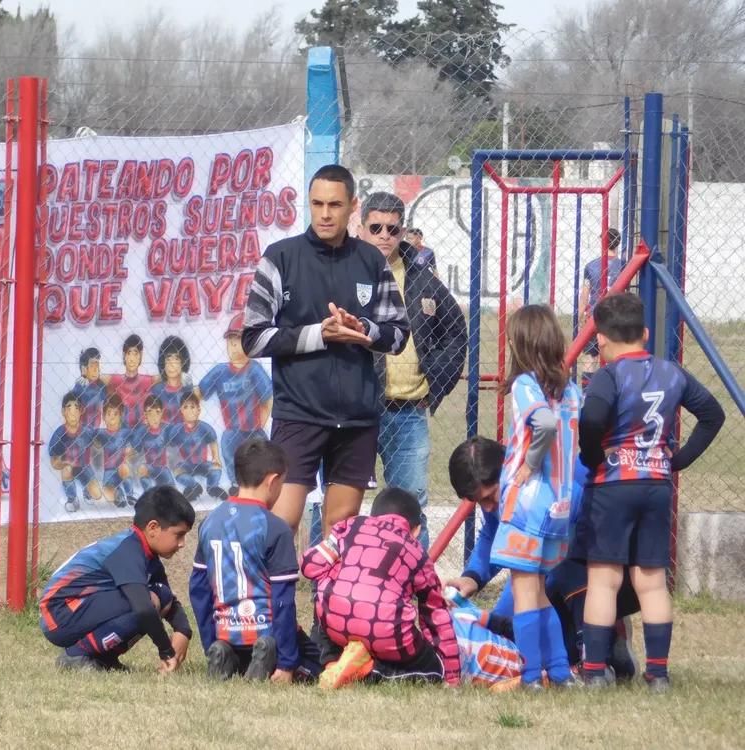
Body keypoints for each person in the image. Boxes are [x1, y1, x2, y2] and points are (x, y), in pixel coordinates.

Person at [242, 164, 410, 538]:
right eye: (317, 203)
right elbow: (252, 339)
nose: (324, 213)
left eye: (334, 205)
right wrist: (320, 334)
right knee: (281, 524)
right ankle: (276, 597)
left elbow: (398, 335)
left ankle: (328, 597)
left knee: (340, 529)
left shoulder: (371, 260)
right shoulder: (280, 258)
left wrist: (363, 331)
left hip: (356, 418)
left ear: (353, 206)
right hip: (298, 414)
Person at [574, 292, 725, 691]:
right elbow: (713, 414)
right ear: (644, 333)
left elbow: (591, 419)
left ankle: (593, 674)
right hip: (657, 484)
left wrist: (591, 457)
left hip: (613, 485)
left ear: (601, 340)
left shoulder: (607, 375)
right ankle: (658, 674)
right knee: (653, 580)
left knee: (603, 579)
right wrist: (678, 461)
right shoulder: (672, 372)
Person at [446, 435, 640, 681]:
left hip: (610, 567)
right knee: (512, 629)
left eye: (488, 497)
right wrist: (472, 577)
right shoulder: (506, 491)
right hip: (555, 568)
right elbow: (493, 534)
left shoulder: (557, 479)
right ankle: (581, 652)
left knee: (557, 575)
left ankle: (600, 652)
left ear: (508, 472)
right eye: (478, 502)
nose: (486, 507)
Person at [359, 192, 467, 548]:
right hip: (354, 411)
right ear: (361, 228)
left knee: (411, 504)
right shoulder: (344, 270)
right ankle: (329, 583)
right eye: (376, 227)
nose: (384, 235)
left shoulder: (421, 277)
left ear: (402, 230)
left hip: (407, 412)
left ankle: (416, 583)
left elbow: (455, 331)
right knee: (337, 500)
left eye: (392, 228)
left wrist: (436, 380)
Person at [492, 304, 582, 690]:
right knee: (541, 589)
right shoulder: (572, 389)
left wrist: (529, 462)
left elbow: (542, 421)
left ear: (519, 343)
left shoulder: (525, 385)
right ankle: (560, 670)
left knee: (524, 590)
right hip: (559, 506)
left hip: (528, 504)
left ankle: (530, 676)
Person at [190, 438, 322, 682]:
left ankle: (226, 655)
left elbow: (198, 590)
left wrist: (212, 643)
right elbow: (282, 602)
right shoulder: (274, 527)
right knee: (317, 663)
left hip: (225, 631)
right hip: (263, 630)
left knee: (234, 648)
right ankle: (271, 659)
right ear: (272, 481)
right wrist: (287, 663)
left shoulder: (209, 523)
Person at [301, 487, 460, 689]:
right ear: (416, 530)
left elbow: (310, 566)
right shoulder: (419, 553)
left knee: (329, 595)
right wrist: (452, 676)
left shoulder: (348, 526)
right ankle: (370, 671)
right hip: (385, 631)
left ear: (372, 516)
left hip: (335, 624)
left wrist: (336, 571)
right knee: (434, 671)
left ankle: (334, 661)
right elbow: (436, 616)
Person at [39, 486, 195, 673]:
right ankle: (75, 656)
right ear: (153, 527)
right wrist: (167, 652)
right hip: (60, 613)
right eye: (179, 534)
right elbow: (144, 608)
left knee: (157, 594)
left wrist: (183, 631)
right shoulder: (128, 551)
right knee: (146, 602)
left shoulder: (147, 555)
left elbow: (168, 597)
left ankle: (104, 660)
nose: (182, 543)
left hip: (76, 609)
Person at [197, 313, 273, 494]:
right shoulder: (220, 371)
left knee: (261, 456)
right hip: (232, 431)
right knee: (228, 447)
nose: (233, 346)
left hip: (254, 430)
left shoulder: (254, 368)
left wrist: (260, 423)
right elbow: (198, 393)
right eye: (230, 340)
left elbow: (267, 400)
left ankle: (261, 486)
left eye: (238, 340)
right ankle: (236, 485)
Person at [578, 228, 623, 380]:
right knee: (616, 355)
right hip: (617, 316)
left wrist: (578, 318)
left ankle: (586, 391)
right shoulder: (624, 265)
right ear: (617, 244)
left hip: (595, 316)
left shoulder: (591, 266)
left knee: (590, 355)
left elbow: (585, 295)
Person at [169, 392, 226, 503]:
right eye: (185, 407)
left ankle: (212, 487)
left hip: (203, 463)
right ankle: (194, 486)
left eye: (193, 407)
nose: (190, 410)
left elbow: (213, 442)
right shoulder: (176, 430)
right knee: (177, 471)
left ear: (198, 410)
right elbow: (171, 448)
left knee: (217, 468)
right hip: (187, 465)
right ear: (181, 411)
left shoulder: (205, 427)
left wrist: (216, 457)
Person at [48, 391, 96, 512]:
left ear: (81, 411)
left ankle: (87, 489)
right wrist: (66, 463)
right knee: (66, 471)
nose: (73, 412)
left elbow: (100, 443)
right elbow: (54, 461)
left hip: (85, 466)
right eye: (69, 408)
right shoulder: (59, 434)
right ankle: (72, 499)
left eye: (76, 408)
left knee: (96, 493)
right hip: (69, 465)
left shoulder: (87, 431)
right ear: (63, 411)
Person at [93, 396, 136, 508]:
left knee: (124, 467)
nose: (112, 417)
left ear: (121, 415)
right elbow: (95, 442)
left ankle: (130, 494)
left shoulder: (125, 432)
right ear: (103, 416)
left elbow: (135, 444)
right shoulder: (101, 433)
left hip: (121, 466)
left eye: (115, 414)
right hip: (109, 469)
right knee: (106, 491)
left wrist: (131, 449)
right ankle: (118, 494)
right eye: (108, 414)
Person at [131, 396, 176, 492]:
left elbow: (177, 439)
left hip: (163, 469)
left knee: (173, 492)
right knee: (142, 468)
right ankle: (149, 493)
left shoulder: (167, 428)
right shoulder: (142, 431)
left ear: (162, 413)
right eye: (150, 413)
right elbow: (134, 449)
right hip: (149, 468)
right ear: (145, 415)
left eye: (157, 412)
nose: (154, 417)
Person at [149, 336, 194, 424]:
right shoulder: (156, 391)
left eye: (176, 359)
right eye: (168, 359)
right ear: (163, 363)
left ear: (183, 363)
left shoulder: (188, 389)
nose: (171, 364)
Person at [74, 348, 108, 429]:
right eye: (92, 366)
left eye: (97, 366)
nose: (95, 369)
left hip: (96, 430)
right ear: (83, 370)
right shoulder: (79, 387)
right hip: (82, 430)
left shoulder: (101, 386)